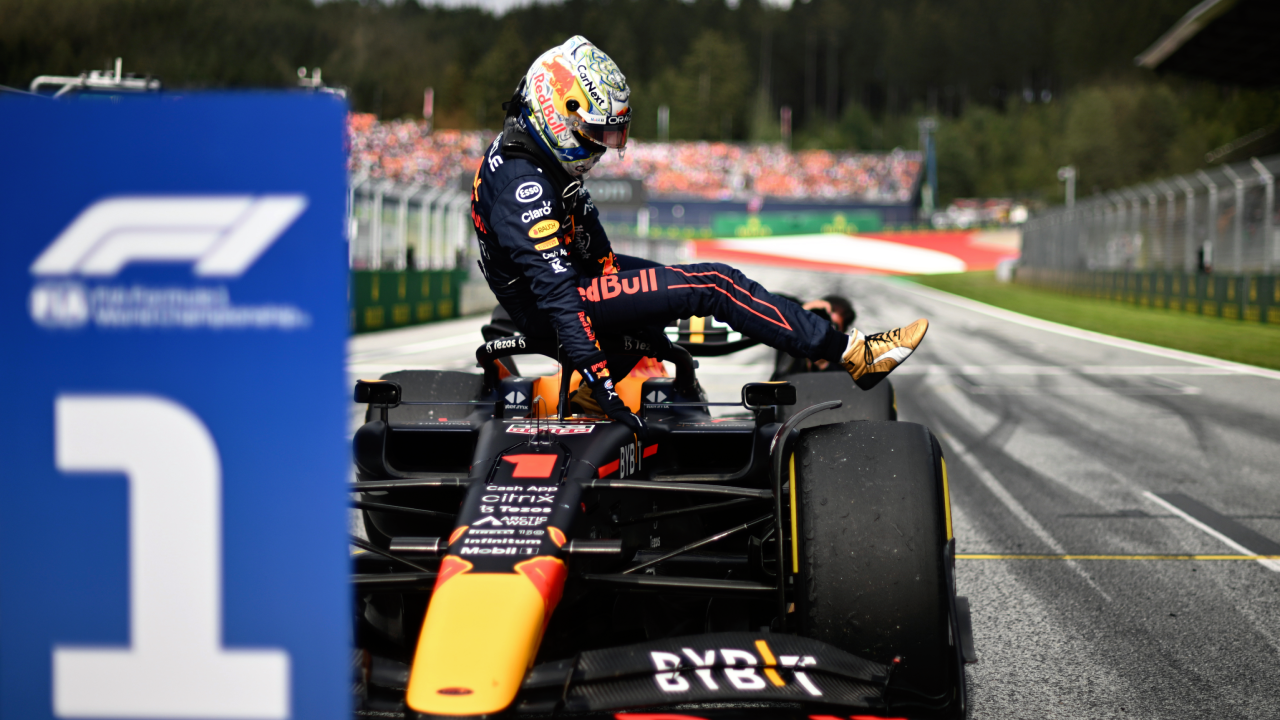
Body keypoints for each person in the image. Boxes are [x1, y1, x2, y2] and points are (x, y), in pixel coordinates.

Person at [469, 36, 927, 437]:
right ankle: (854, 354)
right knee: (714, 284)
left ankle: (840, 346)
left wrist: (643, 307)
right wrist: (600, 382)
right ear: (556, 110)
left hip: (566, 286)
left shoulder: (530, 150)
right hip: (558, 302)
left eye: (611, 133)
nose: (604, 146)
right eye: (596, 131)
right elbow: (559, 295)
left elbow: (596, 254)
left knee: (688, 288)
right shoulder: (521, 186)